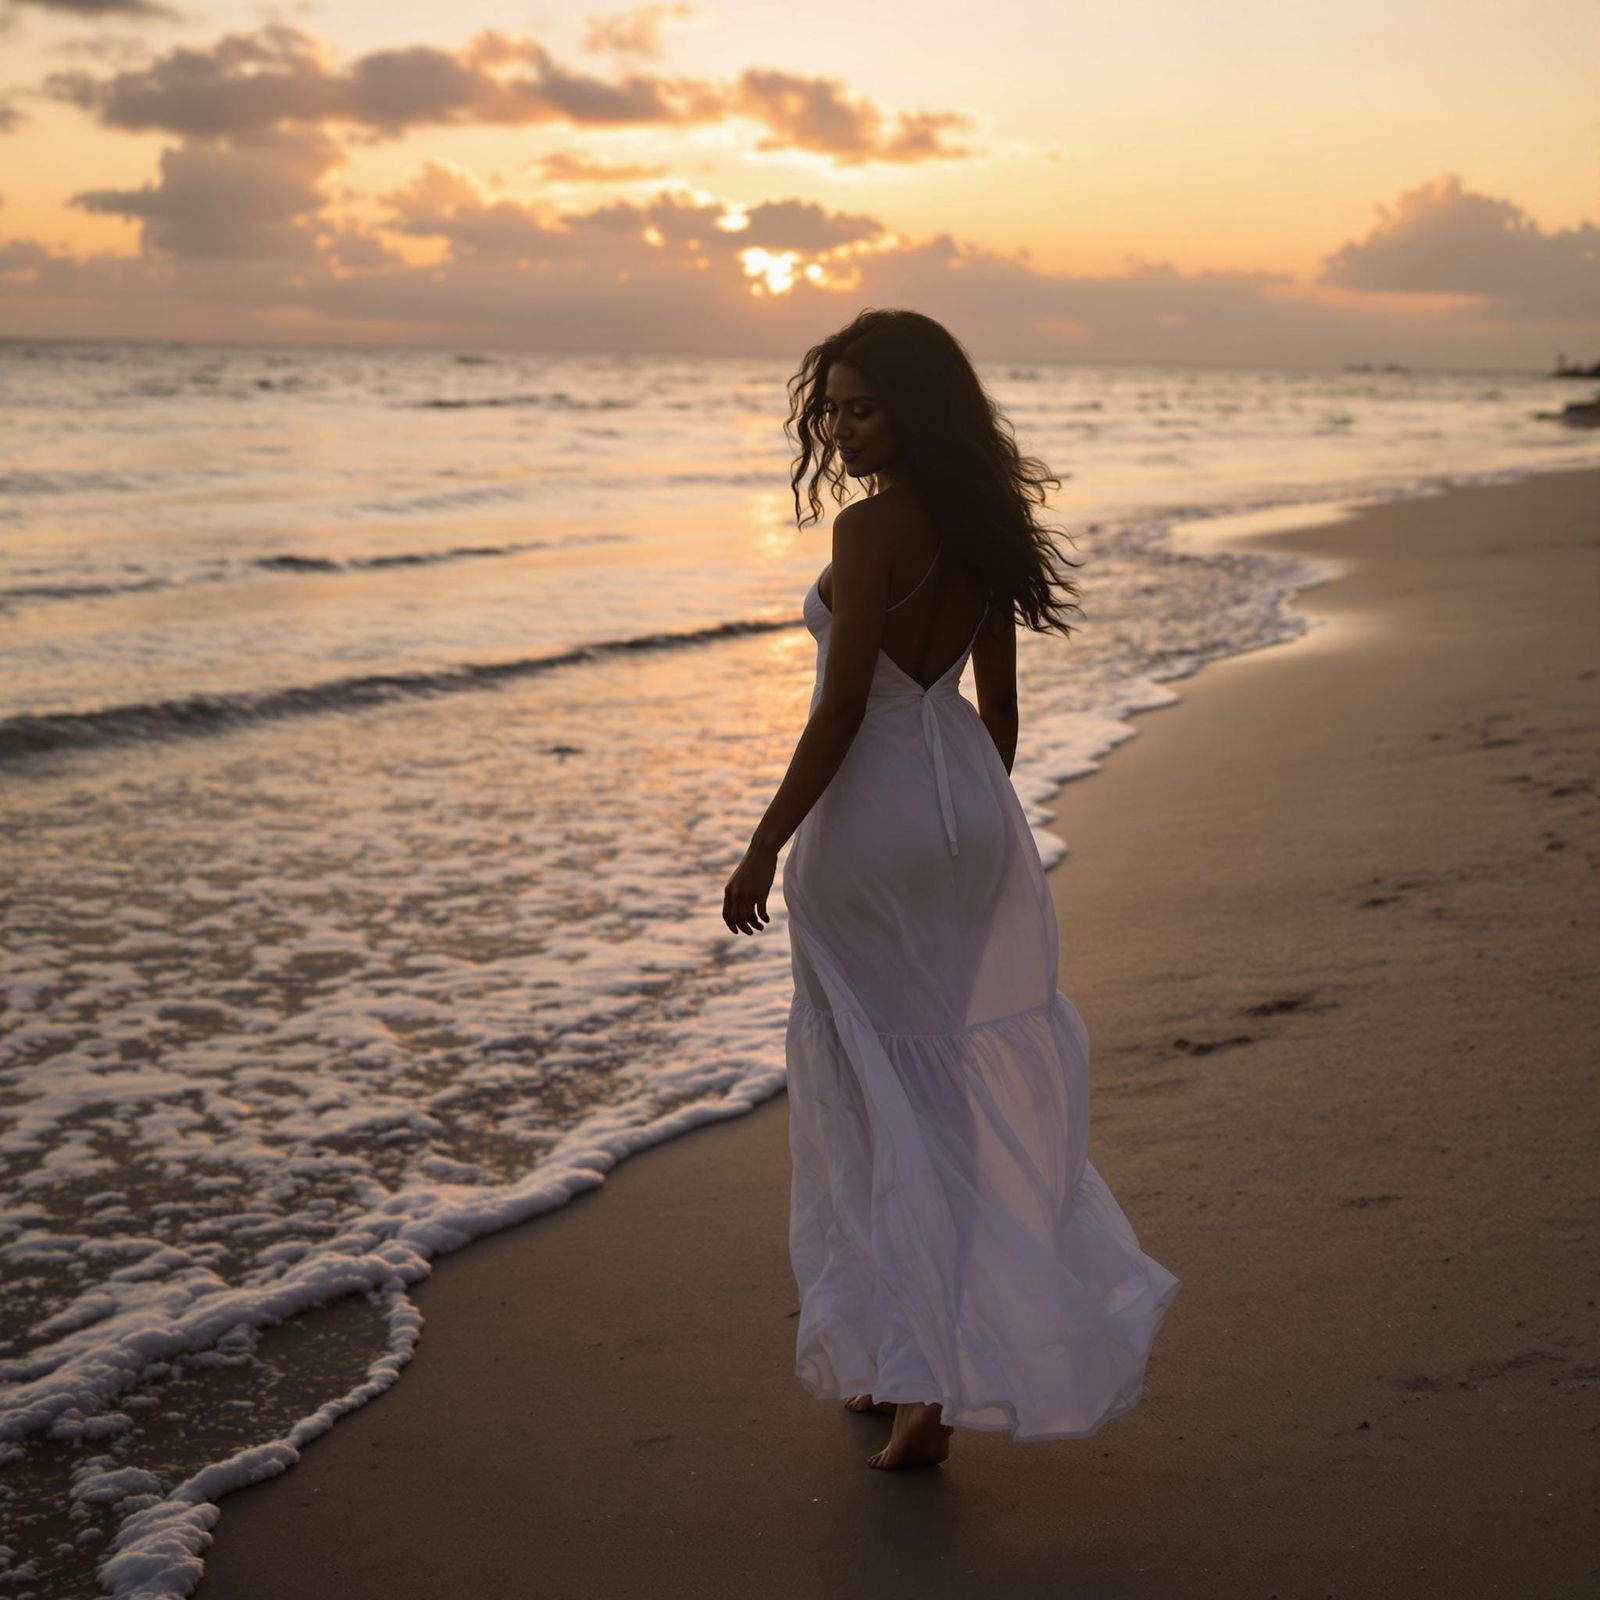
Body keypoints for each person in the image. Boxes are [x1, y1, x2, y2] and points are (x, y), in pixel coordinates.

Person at [722, 308, 1180, 1470]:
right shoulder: (989, 527)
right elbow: (1001, 712)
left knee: (877, 1093)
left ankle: (923, 1378)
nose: (839, 425)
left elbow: (838, 706)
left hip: (867, 827)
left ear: (915, 409)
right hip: (969, 814)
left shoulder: (870, 528)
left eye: (859, 404)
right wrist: (969, 826)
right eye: (830, 405)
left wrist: (766, 840)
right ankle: (900, 1357)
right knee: (950, 1096)